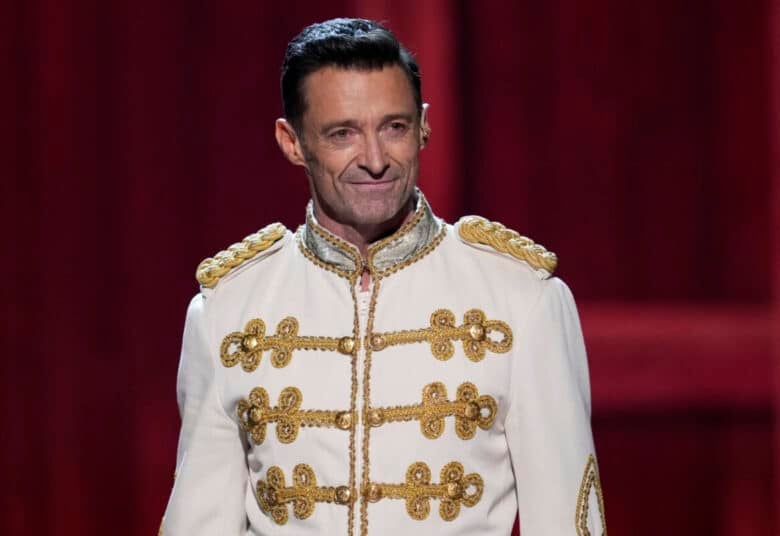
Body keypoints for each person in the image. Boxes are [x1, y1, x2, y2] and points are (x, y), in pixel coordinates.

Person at [161, 17, 606, 536]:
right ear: (292, 142)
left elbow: (567, 521)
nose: (375, 160)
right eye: (342, 134)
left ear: (423, 126)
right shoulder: (227, 310)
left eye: (394, 127)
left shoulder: (522, 299)